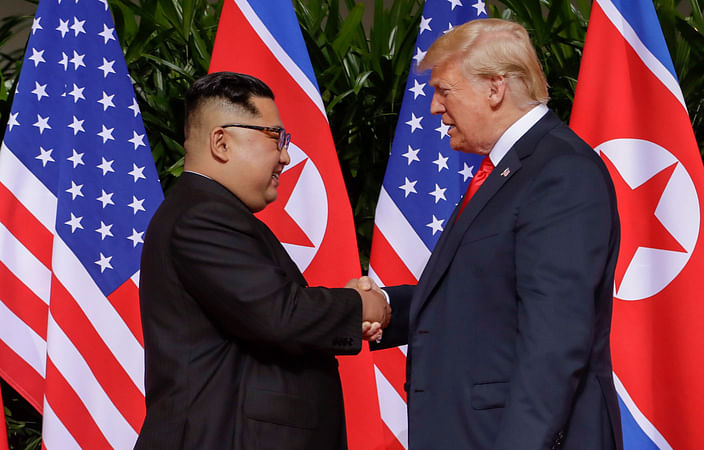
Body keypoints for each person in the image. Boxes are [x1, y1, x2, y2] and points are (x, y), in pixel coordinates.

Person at [363, 18, 622, 449]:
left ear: (495, 88)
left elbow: (555, 341)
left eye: (444, 90)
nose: (433, 108)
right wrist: (384, 306)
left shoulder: (560, 172)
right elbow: (481, 297)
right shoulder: (512, 168)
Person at [135, 71, 389, 450]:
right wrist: (361, 305)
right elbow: (280, 315)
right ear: (221, 142)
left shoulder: (212, 213)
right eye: (276, 138)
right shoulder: (201, 217)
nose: (286, 156)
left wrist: (368, 306)